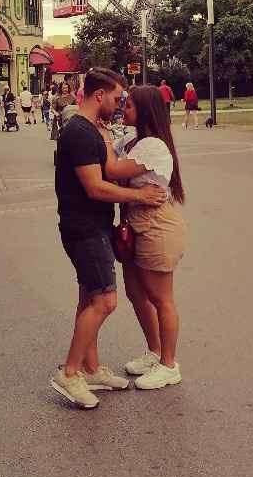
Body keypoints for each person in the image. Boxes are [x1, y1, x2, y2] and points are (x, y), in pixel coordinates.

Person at [51, 67, 166, 410]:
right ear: (99, 95)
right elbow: (96, 187)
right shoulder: (80, 133)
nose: (119, 105)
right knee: (105, 301)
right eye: (116, 98)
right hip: (84, 229)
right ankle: (70, 373)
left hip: (92, 226)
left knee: (89, 299)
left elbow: (109, 171)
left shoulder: (88, 130)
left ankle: (90, 369)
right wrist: (139, 197)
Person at [100, 84, 186, 390]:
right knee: (137, 294)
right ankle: (155, 351)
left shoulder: (154, 146)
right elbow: (111, 160)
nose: (125, 109)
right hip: (134, 224)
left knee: (160, 297)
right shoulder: (133, 139)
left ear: (147, 110)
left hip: (156, 226)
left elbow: (110, 169)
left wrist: (102, 133)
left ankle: (169, 364)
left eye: (131, 105)